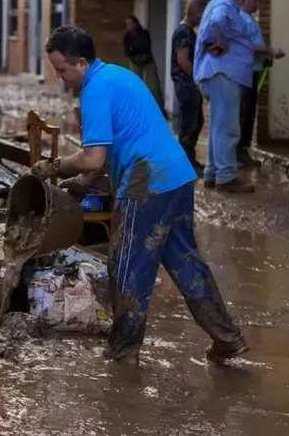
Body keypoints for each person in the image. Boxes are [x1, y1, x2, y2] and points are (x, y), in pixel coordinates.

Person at [33, 26, 248, 365]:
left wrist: (53, 166)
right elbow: (106, 155)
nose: (61, 78)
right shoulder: (119, 75)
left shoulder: (94, 92)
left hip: (146, 181)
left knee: (127, 266)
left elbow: (93, 157)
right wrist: (78, 183)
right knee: (186, 261)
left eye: (62, 70)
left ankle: (123, 351)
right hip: (176, 175)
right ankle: (227, 337)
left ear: (82, 63)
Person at [194, 0, 255, 193]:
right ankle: (226, 176)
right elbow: (217, 22)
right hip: (223, 73)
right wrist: (221, 42)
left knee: (218, 126)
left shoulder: (225, 5)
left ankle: (212, 173)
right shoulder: (224, 5)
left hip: (220, 74)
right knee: (228, 127)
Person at [239, 0, 285, 168]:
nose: (258, 4)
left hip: (254, 70)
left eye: (259, 0)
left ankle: (243, 151)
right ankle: (240, 154)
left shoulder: (250, 19)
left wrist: (265, 58)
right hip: (246, 73)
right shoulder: (241, 20)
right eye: (255, 0)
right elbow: (247, 46)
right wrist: (270, 51)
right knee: (245, 114)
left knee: (249, 113)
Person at [171, 0, 207, 169]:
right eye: (202, 16)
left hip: (188, 84)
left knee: (196, 121)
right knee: (190, 123)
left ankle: (188, 160)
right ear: (195, 14)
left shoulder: (188, 32)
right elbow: (183, 60)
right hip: (186, 84)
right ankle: (184, 163)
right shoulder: (184, 33)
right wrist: (197, 78)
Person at [123, 15, 164, 112]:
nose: (130, 26)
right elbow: (127, 51)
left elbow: (145, 47)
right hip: (135, 61)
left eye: (131, 23)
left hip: (147, 60)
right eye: (127, 24)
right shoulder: (127, 36)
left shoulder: (143, 33)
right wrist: (133, 50)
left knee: (153, 85)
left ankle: (158, 109)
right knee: (134, 85)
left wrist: (134, 48)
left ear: (136, 23)